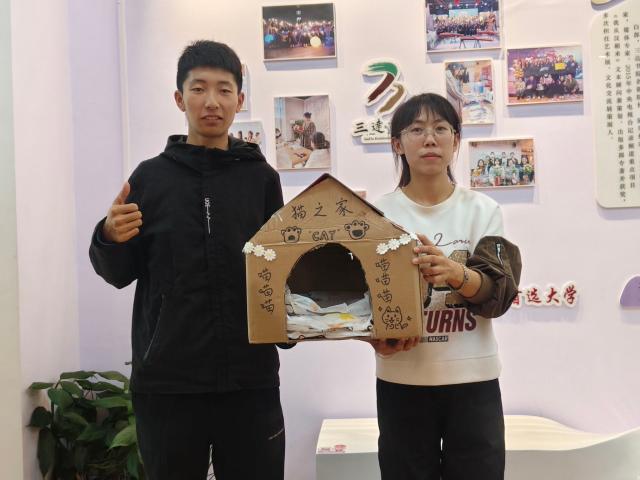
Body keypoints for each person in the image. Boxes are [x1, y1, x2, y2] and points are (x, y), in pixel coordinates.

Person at [89, 40, 288, 480]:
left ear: (239, 99)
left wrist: (289, 328)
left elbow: (278, 270)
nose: (211, 101)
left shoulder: (261, 179)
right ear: (180, 99)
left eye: (224, 89)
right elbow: (118, 273)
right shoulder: (150, 178)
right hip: (168, 383)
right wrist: (108, 237)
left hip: (249, 379)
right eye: (199, 89)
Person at [368, 93, 521, 480]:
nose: (429, 139)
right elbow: (361, 300)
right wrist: (372, 338)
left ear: (456, 140)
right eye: (416, 130)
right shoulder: (378, 215)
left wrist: (455, 273)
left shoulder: (483, 210)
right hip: (402, 379)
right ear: (397, 144)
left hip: (473, 380)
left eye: (440, 128)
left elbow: (498, 294)